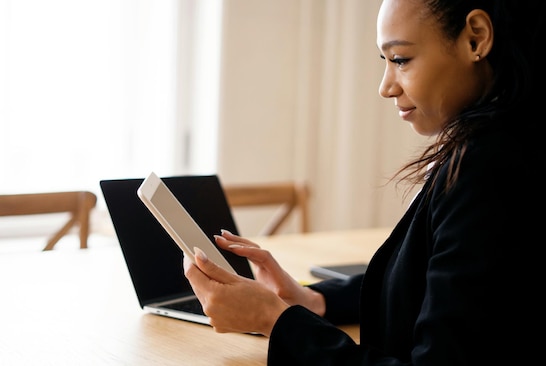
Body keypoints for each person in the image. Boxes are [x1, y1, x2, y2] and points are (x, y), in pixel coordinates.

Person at [183, 0, 546, 364]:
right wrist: (313, 301)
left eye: (401, 59)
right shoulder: (501, 149)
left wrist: (273, 320)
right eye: (384, 62)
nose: (386, 87)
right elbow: (436, 284)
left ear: (476, 39)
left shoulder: (490, 170)